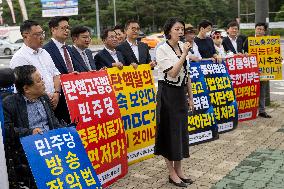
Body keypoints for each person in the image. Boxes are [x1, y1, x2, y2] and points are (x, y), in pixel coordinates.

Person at [3, 65, 63, 189]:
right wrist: (30, 132)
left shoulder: (45, 98)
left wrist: (68, 130)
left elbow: (53, 122)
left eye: (41, 78)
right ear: (27, 89)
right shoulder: (10, 104)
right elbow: (6, 130)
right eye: (39, 80)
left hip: (52, 145)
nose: (43, 82)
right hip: (31, 151)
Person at [155, 17, 194, 187]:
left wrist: (190, 97)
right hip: (167, 94)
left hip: (180, 95)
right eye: (177, 29)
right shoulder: (162, 49)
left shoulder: (181, 47)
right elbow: (172, 73)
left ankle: (179, 170)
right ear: (169, 30)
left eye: (182, 29)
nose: (180, 32)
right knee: (168, 133)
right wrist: (184, 54)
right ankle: (171, 173)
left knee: (180, 133)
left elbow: (187, 76)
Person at [10, 20, 61, 111]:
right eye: (37, 34)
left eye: (42, 33)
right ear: (25, 36)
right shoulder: (19, 58)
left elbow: (56, 74)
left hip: (54, 102)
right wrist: (47, 97)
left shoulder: (44, 52)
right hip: (35, 108)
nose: (42, 37)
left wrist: (57, 93)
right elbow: (25, 88)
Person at [43, 16, 74, 124]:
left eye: (68, 28)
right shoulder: (45, 50)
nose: (67, 30)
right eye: (63, 28)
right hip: (58, 100)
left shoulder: (69, 49)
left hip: (73, 98)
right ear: (53, 29)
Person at [254, 23, 272, 118]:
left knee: (262, 91)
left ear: (264, 31)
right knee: (251, 90)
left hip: (264, 71)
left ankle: (262, 110)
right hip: (251, 70)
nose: (259, 31)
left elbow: (273, 55)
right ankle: (250, 110)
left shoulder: (269, 41)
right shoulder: (249, 40)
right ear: (255, 29)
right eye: (258, 29)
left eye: (261, 29)